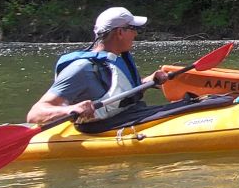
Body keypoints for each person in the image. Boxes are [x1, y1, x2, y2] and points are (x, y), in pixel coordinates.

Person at [26, 7, 169, 126]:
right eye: (132, 28)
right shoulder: (81, 68)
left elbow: (121, 96)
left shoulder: (115, 60)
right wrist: (71, 109)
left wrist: (151, 80)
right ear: (120, 32)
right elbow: (35, 114)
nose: (136, 33)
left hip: (129, 117)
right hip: (103, 129)